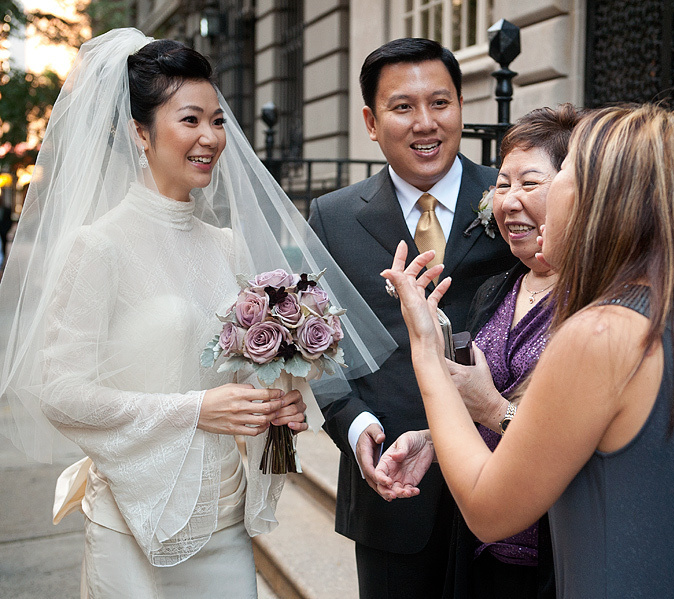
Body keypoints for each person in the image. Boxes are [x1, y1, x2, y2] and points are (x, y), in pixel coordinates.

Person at [0, 29, 394, 598]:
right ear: (140, 132)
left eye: (217, 120)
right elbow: (60, 393)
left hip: (223, 517)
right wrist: (195, 410)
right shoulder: (99, 247)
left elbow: (228, 372)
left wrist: (270, 405)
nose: (210, 137)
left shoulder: (226, 246)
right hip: (133, 522)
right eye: (190, 120)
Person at [380, 104, 674, 597]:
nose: (518, 198)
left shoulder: (602, 332)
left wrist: (427, 351)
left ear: (604, 201)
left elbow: (488, 510)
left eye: (563, 174)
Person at [307, 38, 517, 598]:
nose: (426, 123)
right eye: (403, 107)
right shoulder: (332, 217)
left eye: (440, 103)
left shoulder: (510, 200)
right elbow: (317, 349)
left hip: (508, 478)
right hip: (392, 490)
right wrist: (354, 425)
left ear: (462, 107)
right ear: (372, 123)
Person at [373, 105, 584, 599]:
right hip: (481, 551)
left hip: (561, 558)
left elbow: (580, 448)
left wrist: (492, 409)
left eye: (529, 183)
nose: (508, 201)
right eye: (502, 184)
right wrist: (433, 441)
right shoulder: (497, 289)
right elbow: (479, 409)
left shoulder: (596, 305)